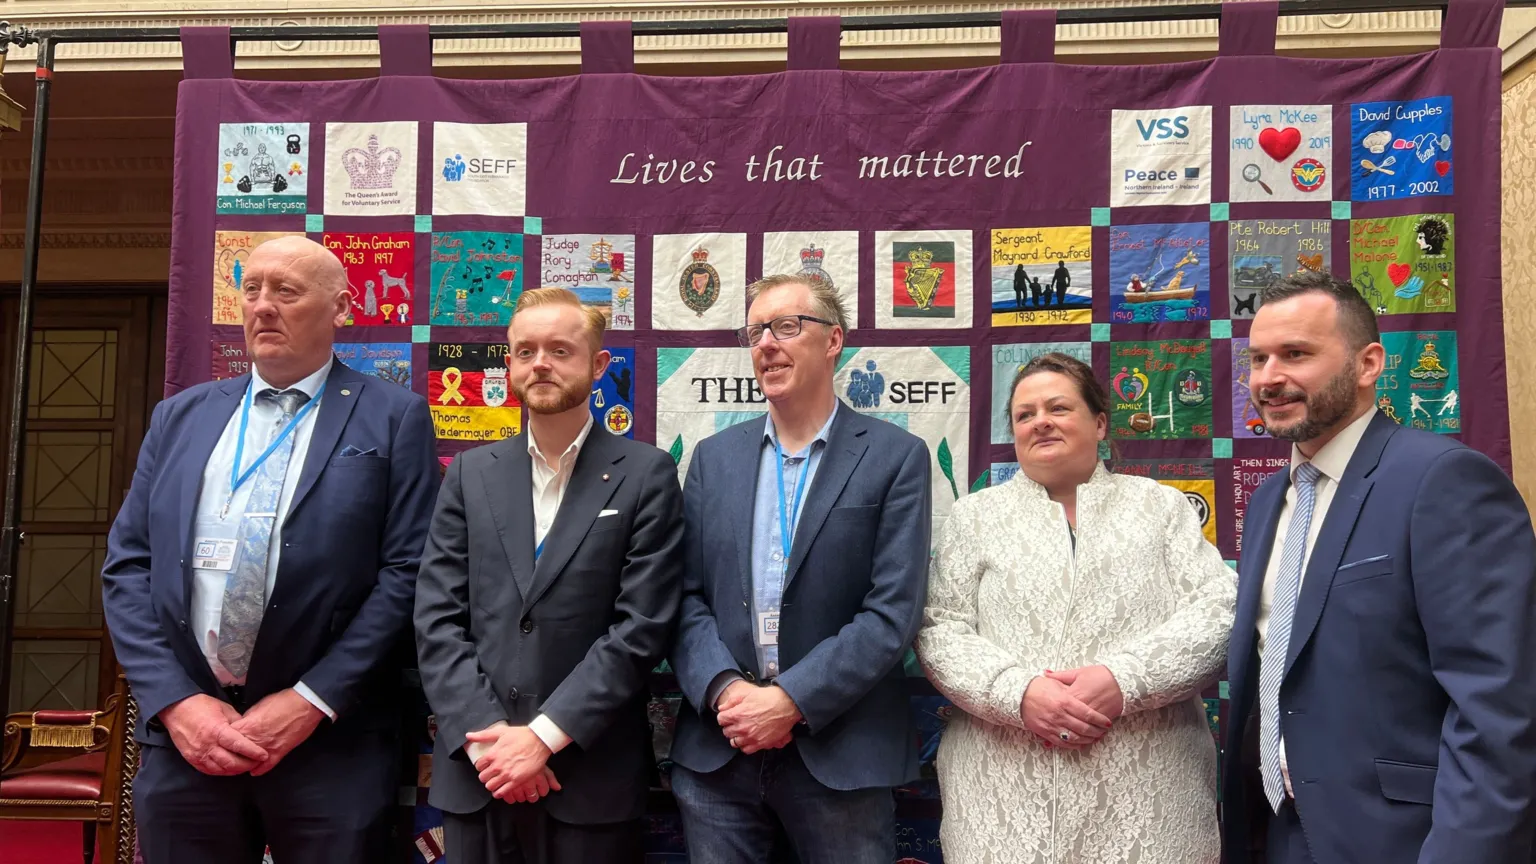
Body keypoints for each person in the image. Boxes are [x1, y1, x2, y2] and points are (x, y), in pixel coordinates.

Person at [101, 235, 439, 864]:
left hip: (327, 744)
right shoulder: (180, 416)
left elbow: (408, 573)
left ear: (342, 306)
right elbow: (128, 566)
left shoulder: (393, 417)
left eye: (286, 290)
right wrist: (176, 702)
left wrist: (311, 700)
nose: (261, 305)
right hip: (188, 742)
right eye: (251, 288)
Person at [1222, 270, 1536, 864]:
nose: (1270, 378)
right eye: (1258, 358)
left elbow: (1497, 706)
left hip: (1403, 842)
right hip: (1279, 832)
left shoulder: (1442, 480)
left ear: (1368, 364)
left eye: (1296, 354)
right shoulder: (1268, 499)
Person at [916, 352, 1234, 864]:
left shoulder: (1161, 507)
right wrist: (1020, 693)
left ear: (1100, 422)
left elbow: (1220, 611)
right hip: (1001, 796)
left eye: (1058, 407)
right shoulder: (975, 517)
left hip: (1149, 793)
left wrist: (1123, 679)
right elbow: (938, 628)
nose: (1040, 421)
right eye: (1024, 414)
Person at [414, 288, 684, 864]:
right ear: (508, 363)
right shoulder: (469, 473)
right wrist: (492, 740)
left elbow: (640, 629)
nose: (541, 363)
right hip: (478, 772)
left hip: (588, 780)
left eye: (561, 350)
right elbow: (436, 616)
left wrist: (540, 738)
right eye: (526, 350)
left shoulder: (646, 475)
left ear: (598, 365)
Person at [668, 274, 932, 863]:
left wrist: (790, 700)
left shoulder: (895, 457)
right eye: (756, 330)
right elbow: (682, 597)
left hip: (841, 754)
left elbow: (893, 612)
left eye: (787, 326)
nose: (766, 343)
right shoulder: (714, 459)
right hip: (719, 754)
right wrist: (724, 691)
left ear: (833, 340)